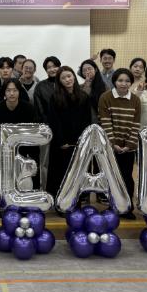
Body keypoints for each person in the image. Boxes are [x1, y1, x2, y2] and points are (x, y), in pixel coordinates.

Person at [98, 68, 141, 219]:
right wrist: (113, 143)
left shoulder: (135, 100)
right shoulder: (105, 97)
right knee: (111, 177)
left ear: (131, 83)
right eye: (120, 80)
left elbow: (136, 124)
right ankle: (113, 206)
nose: (124, 84)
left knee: (127, 177)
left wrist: (129, 145)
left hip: (128, 147)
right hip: (111, 147)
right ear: (114, 81)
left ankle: (127, 208)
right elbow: (105, 122)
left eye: (127, 81)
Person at [46, 66, 92, 196]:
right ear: (59, 81)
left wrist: (82, 140)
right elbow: (54, 121)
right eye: (63, 78)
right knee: (60, 173)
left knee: (77, 173)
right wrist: (61, 141)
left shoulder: (83, 96)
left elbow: (86, 121)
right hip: (61, 143)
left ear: (74, 77)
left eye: (69, 76)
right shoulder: (55, 97)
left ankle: (76, 200)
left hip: (79, 142)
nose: (67, 80)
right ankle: (59, 200)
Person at [0, 79, 39, 190]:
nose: (12, 93)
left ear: (19, 92)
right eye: (8, 90)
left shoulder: (29, 109)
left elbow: (31, 133)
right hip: (2, 149)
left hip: (23, 149)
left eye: (15, 90)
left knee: (25, 180)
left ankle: (24, 198)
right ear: (4, 92)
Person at [33, 56, 62, 123]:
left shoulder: (65, 83)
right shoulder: (40, 86)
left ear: (59, 67)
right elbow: (39, 111)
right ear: (46, 70)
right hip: (47, 124)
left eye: (55, 66)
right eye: (49, 67)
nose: (52, 69)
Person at [78, 59, 107, 124]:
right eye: (84, 70)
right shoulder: (80, 87)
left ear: (95, 69)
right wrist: (87, 84)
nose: (87, 72)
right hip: (85, 120)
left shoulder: (104, 86)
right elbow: (82, 101)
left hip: (100, 121)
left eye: (89, 69)